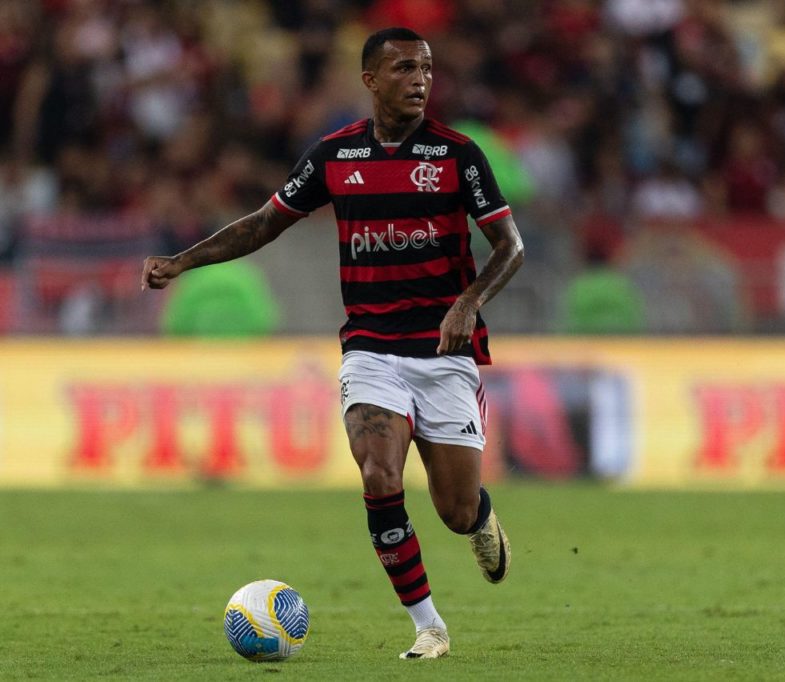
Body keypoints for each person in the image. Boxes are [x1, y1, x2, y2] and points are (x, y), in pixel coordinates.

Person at [141, 27, 524, 660]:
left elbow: (510, 246)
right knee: (378, 474)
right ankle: (429, 627)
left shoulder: (458, 156)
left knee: (453, 508)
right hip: (371, 347)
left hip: (444, 353)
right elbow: (266, 223)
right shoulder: (335, 158)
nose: (420, 79)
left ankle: (480, 518)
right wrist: (184, 260)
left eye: (426, 67)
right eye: (404, 68)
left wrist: (469, 300)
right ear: (371, 80)